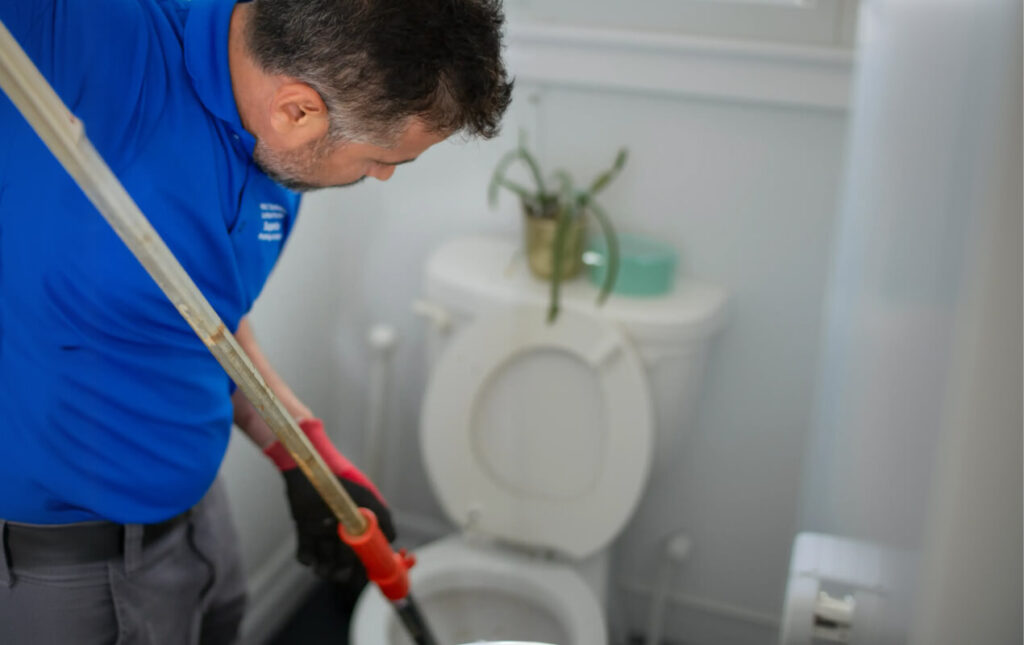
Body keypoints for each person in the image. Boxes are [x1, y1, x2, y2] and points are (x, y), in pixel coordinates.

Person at [0, 0, 512, 642]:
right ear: (297, 110)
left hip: (197, 521)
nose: (382, 176)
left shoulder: (277, 156)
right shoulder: (75, 34)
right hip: (67, 574)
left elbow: (201, 319)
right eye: (385, 157)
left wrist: (303, 454)